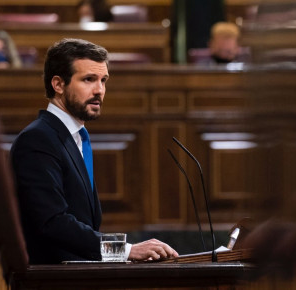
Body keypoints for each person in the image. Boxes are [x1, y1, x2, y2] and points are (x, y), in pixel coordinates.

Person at [10, 38, 178, 264]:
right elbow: (52, 222)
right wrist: (124, 250)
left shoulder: (75, 137)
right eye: (88, 79)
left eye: (103, 80)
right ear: (58, 84)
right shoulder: (38, 139)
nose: (99, 90)